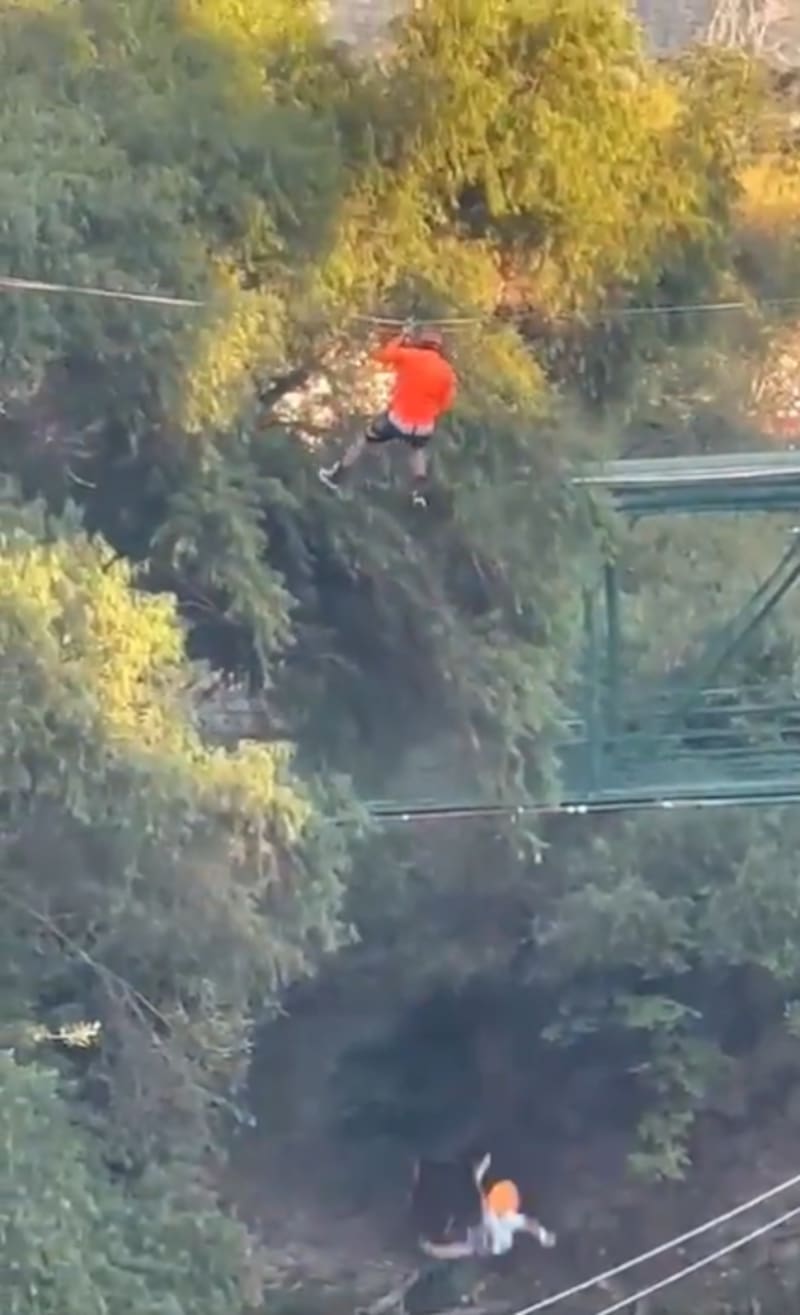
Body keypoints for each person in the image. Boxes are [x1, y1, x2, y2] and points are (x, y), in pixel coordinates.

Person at [318, 325, 457, 509]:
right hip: (424, 425)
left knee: (364, 440)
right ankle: (419, 494)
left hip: (398, 419)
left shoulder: (410, 355)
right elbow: (446, 404)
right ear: (439, 348)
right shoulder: (447, 372)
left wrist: (401, 336)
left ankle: (337, 477)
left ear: (421, 343)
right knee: (417, 450)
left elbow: (384, 355)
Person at [419, 1153, 556, 1260]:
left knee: (474, 1222)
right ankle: (475, 1176)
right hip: (496, 1205)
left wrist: (431, 1249)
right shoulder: (505, 1225)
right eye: (487, 1241)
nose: (484, 1239)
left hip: (479, 1217)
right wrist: (543, 1236)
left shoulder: (475, 1244)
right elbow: (529, 1225)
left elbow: (455, 1250)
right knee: (483, 1212)